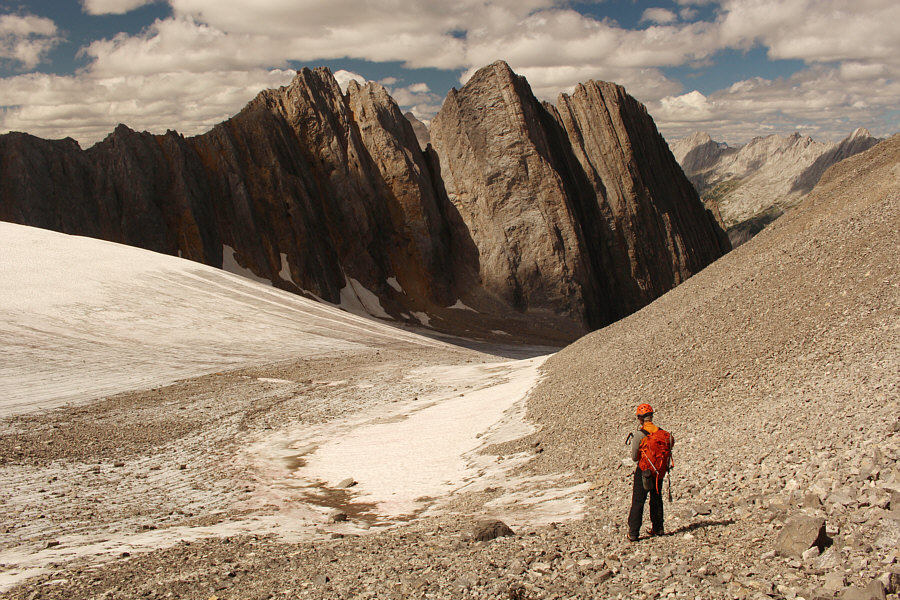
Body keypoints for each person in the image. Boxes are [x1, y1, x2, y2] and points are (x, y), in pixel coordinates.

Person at [627, 403, 674, 541]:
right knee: (656, 498)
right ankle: (658, 528)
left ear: (640, 419)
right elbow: (671, 442)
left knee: (638, 501)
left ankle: (634, 533)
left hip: (644, 471)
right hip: (658, 471)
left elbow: (634, 457)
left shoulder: (639, 435)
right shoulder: (662, 433)